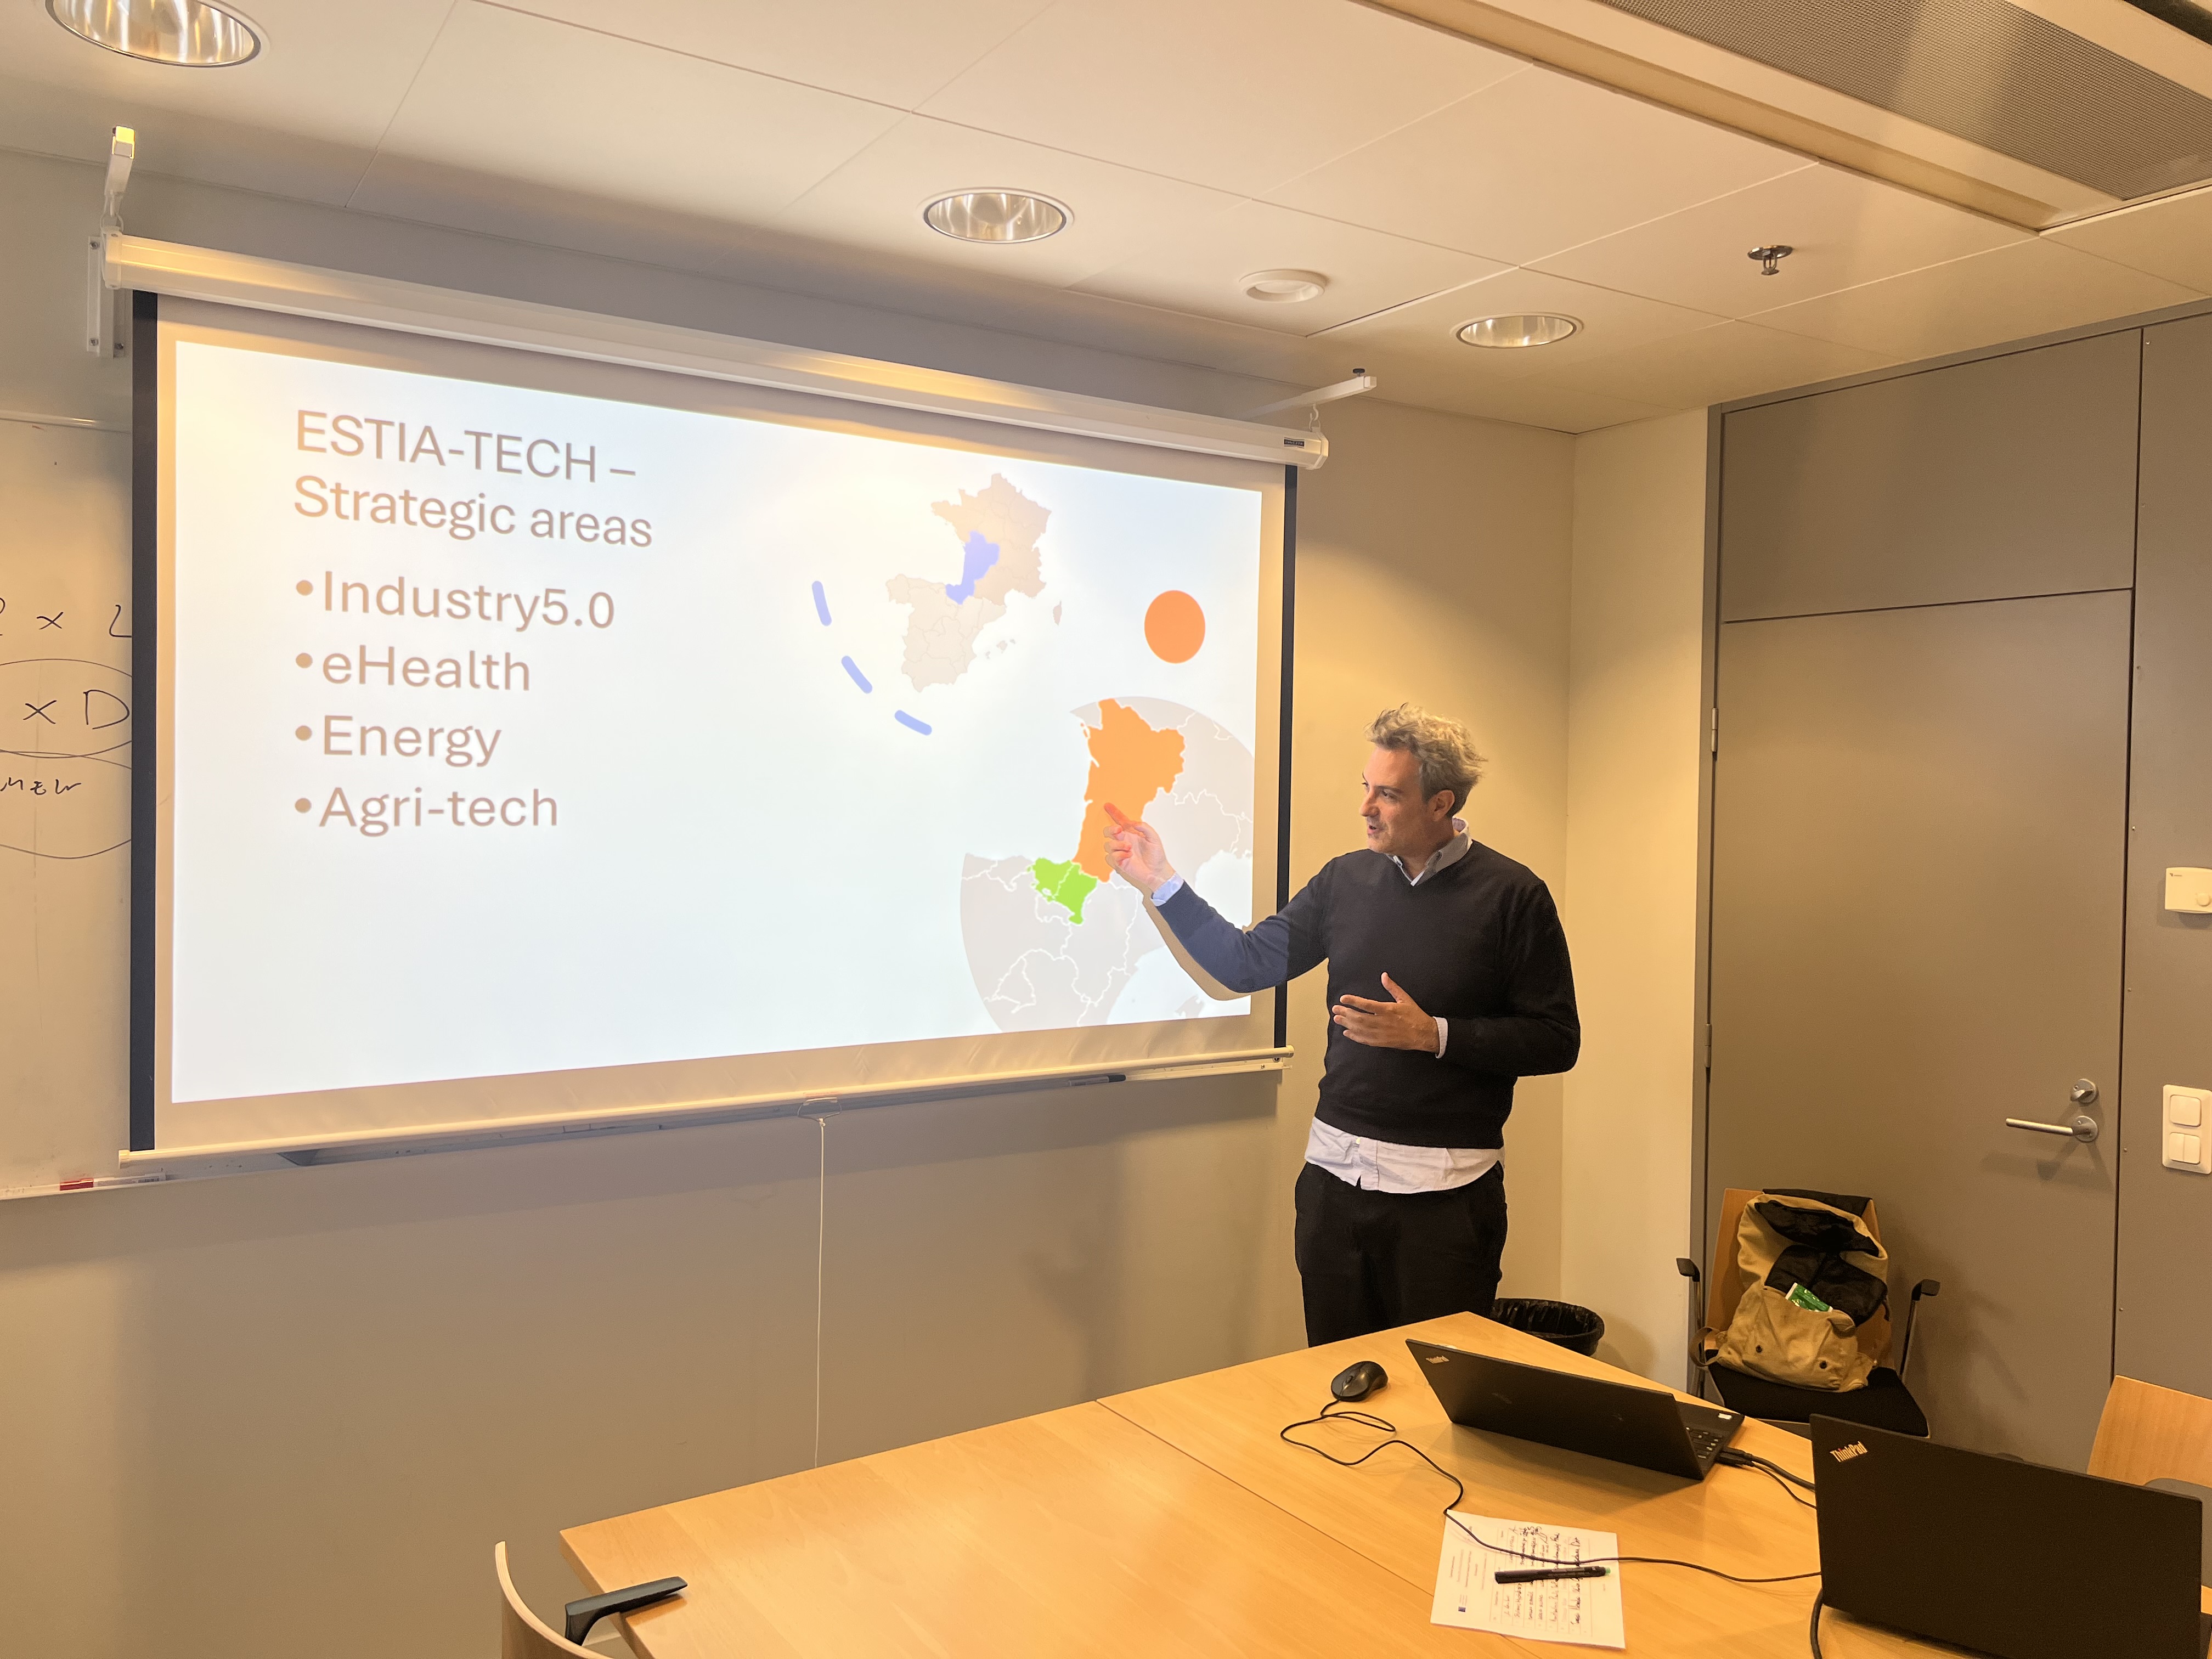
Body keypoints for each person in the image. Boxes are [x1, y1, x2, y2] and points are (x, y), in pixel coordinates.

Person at [1104, 704, 1578, 1345]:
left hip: (1447, 1201)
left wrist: (1433, 1035)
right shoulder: (1344, 880)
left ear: (1441, 804)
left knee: (1430, 1394)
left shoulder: (1513, 896)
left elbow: (1556, 1040)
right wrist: (1160, 881)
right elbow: (1246, 964)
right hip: (1335, 1188)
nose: (1366, 808)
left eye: (1388, 794)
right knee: (1337, 1383)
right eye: (1366, 787)